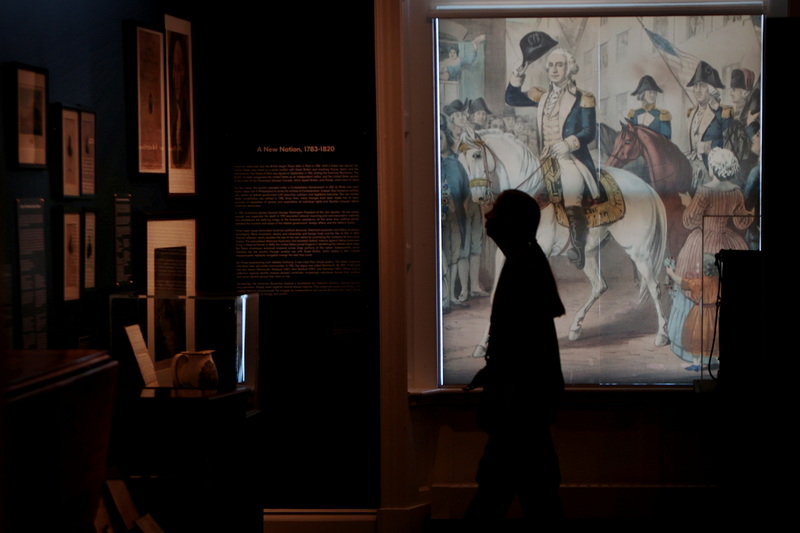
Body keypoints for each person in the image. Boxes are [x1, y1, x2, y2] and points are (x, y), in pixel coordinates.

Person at [464, 189, 565, 527]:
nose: (488, 216)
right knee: (532, 495)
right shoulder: (526, 261)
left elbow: (524, 347)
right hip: (523, 405)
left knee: (500, 493)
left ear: (512, 223)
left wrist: (500, 378)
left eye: (496, 211)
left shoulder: (523, 266)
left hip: (519, 407)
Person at [505, 46, 598, 270]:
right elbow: (511, 98)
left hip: (570, 158)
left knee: (572, 192)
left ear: (569, 69)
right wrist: (518, 74)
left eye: (560, 65)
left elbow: (589, 132)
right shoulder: (541, 96)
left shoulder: (583, 98)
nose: (554, 70)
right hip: (544, 158)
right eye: (551, 66)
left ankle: (577, 246)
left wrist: (567, 144)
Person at [668, 147, 752, 367]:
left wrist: (688, 203)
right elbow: (742, 223)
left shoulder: (705, 190)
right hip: (728, 241)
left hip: (702, 242)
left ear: (713, 168)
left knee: (698, 291)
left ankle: (698, 354)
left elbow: (689, 221)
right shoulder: (735, 191)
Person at [686, 61, 732, 175]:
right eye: (696, 86)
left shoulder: (722, 114)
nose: (698, 90)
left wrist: (708, 147)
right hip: (692, 171)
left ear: (711, 89)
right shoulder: (691, 113)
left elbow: (729, 148)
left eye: (703, 85)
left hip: (714, 173)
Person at [627, 75, 672, 139]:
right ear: (643, 94)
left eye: (654, 93)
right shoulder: (635, 114)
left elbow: (666, 140)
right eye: (650, 92)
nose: (653, 95)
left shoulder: (662, 115)